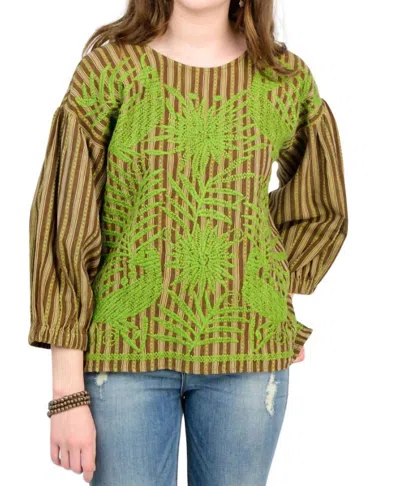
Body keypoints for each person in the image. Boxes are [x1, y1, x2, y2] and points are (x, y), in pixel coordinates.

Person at [28, 0, 348, 484]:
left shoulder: (283, 79)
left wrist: (272, 290)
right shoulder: (110, 71)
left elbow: (321, 199)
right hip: (123, 357)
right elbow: (64, 225)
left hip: (249, 359)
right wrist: (66, 393)